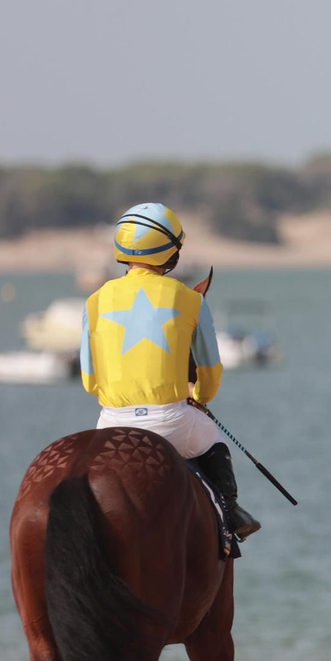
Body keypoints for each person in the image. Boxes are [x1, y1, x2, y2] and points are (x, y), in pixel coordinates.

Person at [81, 203, 259, 539]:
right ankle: (231, 514)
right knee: (213, 439)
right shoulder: (190, 299)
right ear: (170, 253)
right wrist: (199, 395)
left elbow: (90, 381)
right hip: (170, 422)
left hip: (111, 424)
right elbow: (210, 370)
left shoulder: (94, 301)